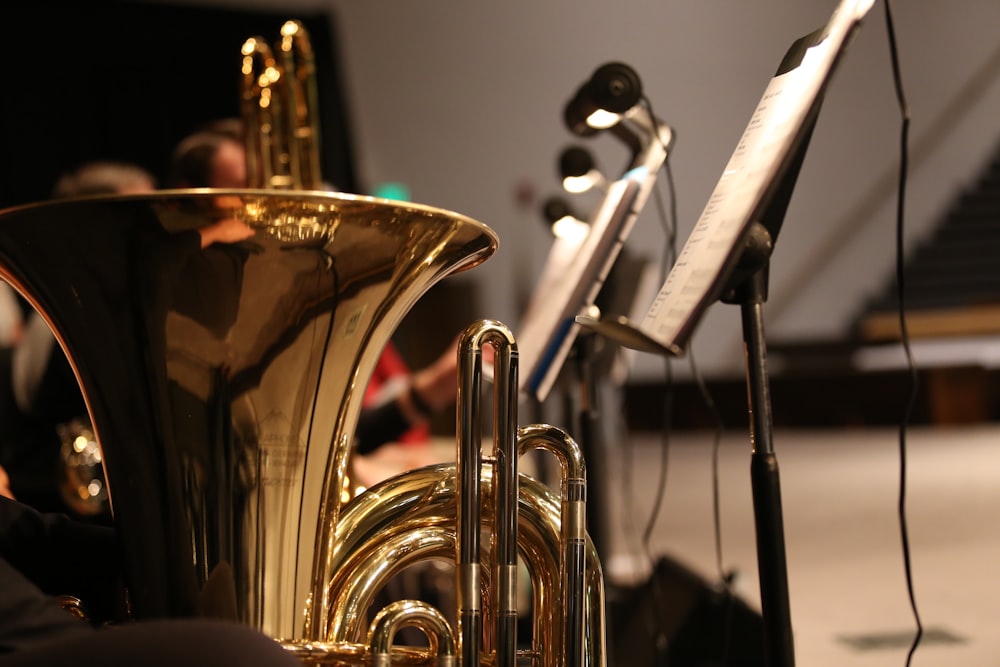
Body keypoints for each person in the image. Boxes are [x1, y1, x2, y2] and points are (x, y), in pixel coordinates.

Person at [170, 123, 462, 458]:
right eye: (242, 190)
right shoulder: (192, 311)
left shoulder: (277, 302)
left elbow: (340, 438)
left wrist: (438, 384)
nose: (260, 212)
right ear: (186, 199)